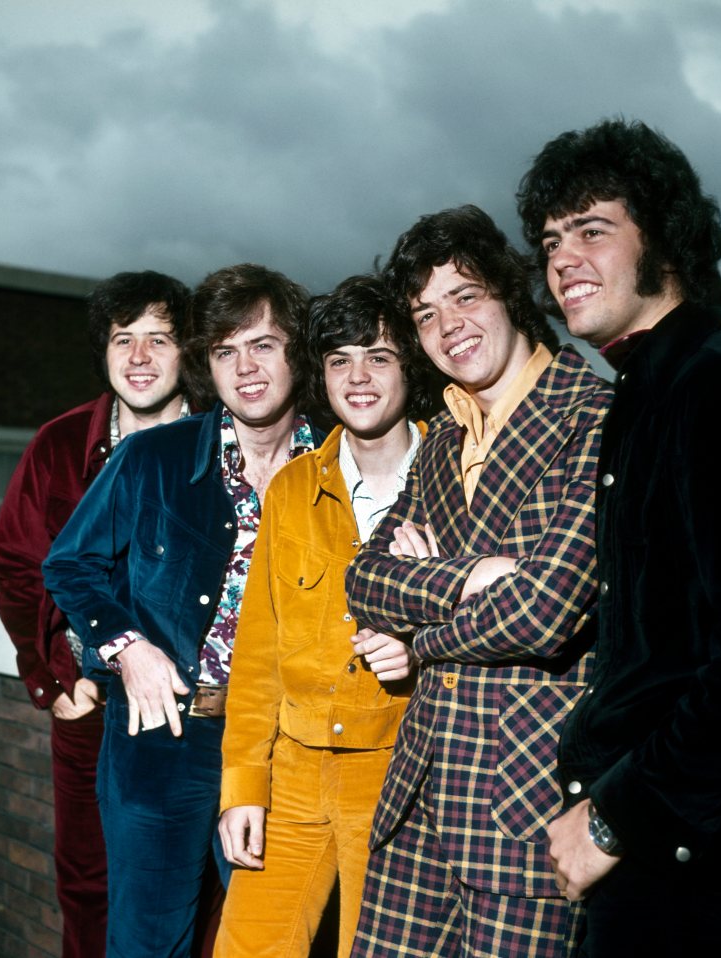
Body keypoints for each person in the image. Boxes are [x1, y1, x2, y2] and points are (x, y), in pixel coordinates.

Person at [516, 117, 721, 957]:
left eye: (593, 230)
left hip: (720, 871)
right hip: (669, 857)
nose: (563, 260)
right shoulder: (650, 393)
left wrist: (618, 819)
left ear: (662, 237)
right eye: (551, 240)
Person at [344, 206, 614, 957]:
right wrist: (464, 578)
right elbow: (362, 579)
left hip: (520, 812)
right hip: (418, 794)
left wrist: (420, 631)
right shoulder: (438, 443)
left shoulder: (597, 418)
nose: (447, 325)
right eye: (425, 313)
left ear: (510, 293)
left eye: (464, 296)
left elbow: (542, 611)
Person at [42, 263, 324, 958]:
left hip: (280, 748)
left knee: (272, 940)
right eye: (225, 352)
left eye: (263, 345)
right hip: (161, 740)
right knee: (147, 942)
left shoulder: (336, 465)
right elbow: (67, 563)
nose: (245, 368)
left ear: (298, 352)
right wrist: (126, 647)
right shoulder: (152, 457)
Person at [214, 275, 434, 958]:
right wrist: (243, 788)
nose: (358, 377)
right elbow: (256, 657)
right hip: (294, 771)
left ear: (410, 368)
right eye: (340, 359)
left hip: (398, 771)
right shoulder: (292, 487)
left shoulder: (453, 478)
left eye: (378, 356)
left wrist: (421, 637)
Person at [0, 269, 193, 958]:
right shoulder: (59, 444)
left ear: (187, 349)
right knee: (88, 888)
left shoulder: (219, 439)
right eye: (122, 339)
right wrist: (52, 681)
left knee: (197, 892)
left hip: (195, 715)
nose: (138, 357)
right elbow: (17, 563)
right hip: (91, 709)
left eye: (158, 338)